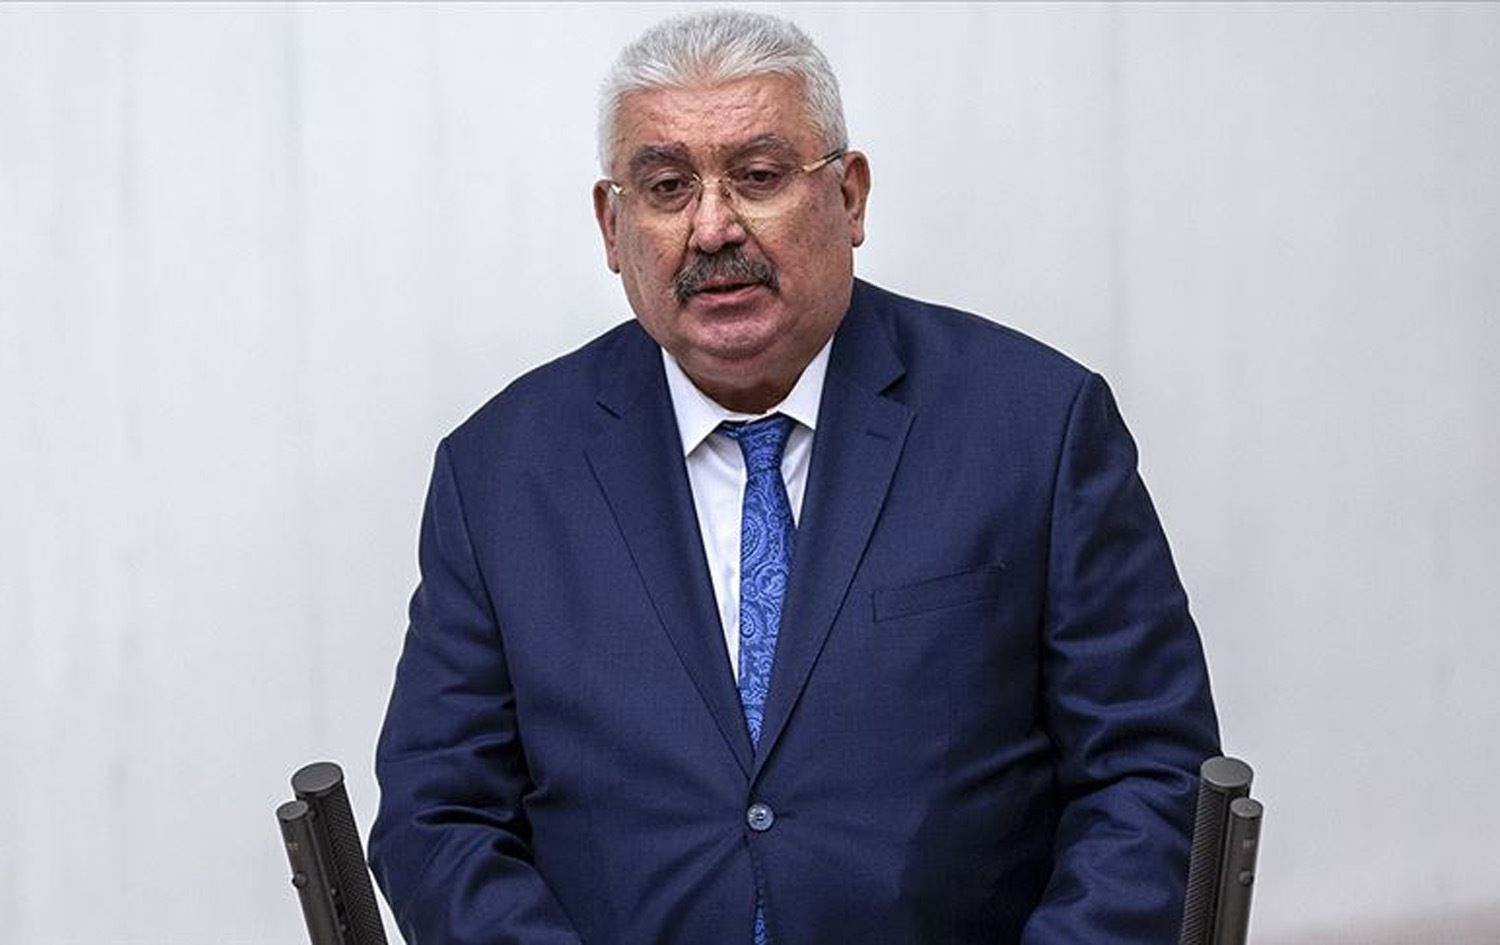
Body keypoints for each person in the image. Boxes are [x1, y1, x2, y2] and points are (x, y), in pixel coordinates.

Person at [369, 10, 1219, 945]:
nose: (711, 227)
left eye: (760, 175)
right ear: (613, 226)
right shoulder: (499, 475)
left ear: (850, 198)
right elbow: (437, 818)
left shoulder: (1034, 429)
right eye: (666, 187)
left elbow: (1150, 775)